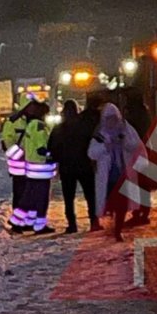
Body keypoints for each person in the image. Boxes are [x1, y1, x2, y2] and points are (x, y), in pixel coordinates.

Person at [87, 102, 146, 241]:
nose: (111, 121)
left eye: (113, 118)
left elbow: (137, 145)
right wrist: (105, 147)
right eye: (108, 118)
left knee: (122, 204)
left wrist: (124, 143)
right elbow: (91, 153)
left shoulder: (126, 130)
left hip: (124, 174)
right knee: (111, 203)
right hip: (109, 176)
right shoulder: (100, 134)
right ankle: (114, 224)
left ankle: (118, 229)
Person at [48, 100, 99, 234]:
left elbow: (52, 147)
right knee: (90, 194)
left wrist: (56, 159)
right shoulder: (85, 126)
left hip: (67, 168)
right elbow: (94, 142)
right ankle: (94, 221)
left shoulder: (59, 128)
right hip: (84, 165)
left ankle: (72, 224)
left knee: (68, 197)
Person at [13, 100, 56, 236]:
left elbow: (27, 146)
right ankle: (39, 225)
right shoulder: (39, 126)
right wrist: (52, 154)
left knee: (30, 196)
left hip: (31, 166)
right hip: (41, 168)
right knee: (41, 198)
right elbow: (41, 147)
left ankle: (18, 219)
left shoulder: (30, 125)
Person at [121, 87, 153, 226]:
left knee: (136, 183)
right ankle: (143, 212)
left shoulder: (135, 114)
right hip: (144, 149)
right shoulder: (144, 112)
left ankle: (138, 213)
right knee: (143, 184)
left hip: (136, 151)